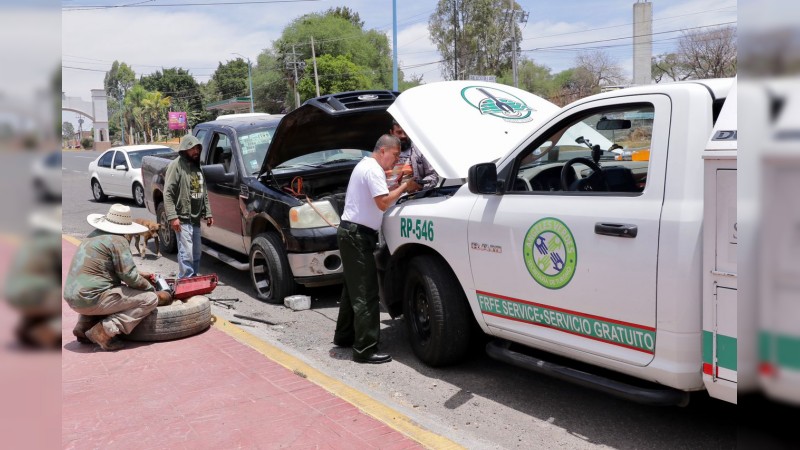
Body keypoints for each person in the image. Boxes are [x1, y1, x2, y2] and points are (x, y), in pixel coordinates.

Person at [334, 135, 421, 364]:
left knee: (351, 289)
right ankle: (365, 349)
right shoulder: (373, 170)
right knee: (365, 293)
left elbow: (381, 193)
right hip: (357, 236)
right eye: (393, 155)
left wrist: (396, 180)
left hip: (351, 234)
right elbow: (383, 202)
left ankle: (345, 336)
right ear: (383, 151)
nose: (394, 161)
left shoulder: (366, 165)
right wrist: (405, 186)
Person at [63, 204, 172, 351]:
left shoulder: (94, 235)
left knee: (103, 291)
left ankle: (83, 327)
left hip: (73, 297)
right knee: (149, 300)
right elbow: (129, 277)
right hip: (91, 299)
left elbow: (108, 269)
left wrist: (140, 274)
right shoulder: (117, 240)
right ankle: (104, 332)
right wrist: (150, 289)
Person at [164, 134, 214, 279]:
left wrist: (208, 213)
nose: (196, 152)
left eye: (197, 148)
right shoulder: (176, 166)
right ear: (185, 149)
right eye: (192, 149)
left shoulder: (197, 167)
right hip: (183, 218)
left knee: (196, 253)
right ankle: (186, 279)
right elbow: (168, 193)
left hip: (195, 219)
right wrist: (173, 217)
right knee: (187, 253)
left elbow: (202, 191)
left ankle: (193, 279)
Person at [385, 120, 439, 190]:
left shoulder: (419, 151)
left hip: (412, 199)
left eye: (406, 132)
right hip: (388, 198)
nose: (403, 136)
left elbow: (433, 175)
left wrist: (419, 186)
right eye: (399, 132)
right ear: (391, 133)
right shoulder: (383, 153)